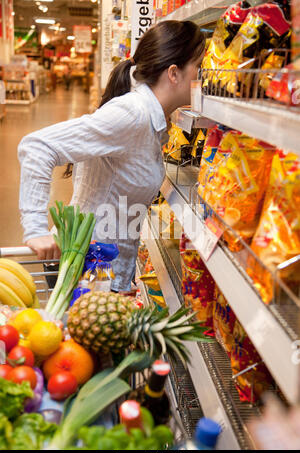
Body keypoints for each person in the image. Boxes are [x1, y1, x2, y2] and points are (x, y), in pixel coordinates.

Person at [18, 20, 205, 294]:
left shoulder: (152, 119)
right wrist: (35, 229)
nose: (202, 77)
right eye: (199, 66)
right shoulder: (133, 114)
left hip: (104, 272)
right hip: (84, 269)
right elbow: (37, 147)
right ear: (174, 73)